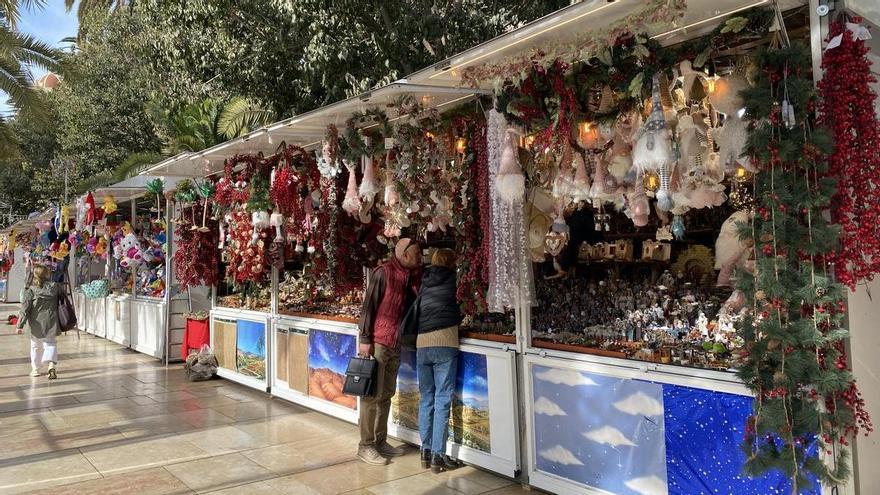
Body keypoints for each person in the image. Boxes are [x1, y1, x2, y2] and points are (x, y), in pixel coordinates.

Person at [357, 237, 422, 465]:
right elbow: (368, 307)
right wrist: (365, 339)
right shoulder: (383, 272)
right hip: (379, 343)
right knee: (371, 396)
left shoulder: (409, 277)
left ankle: (380, 441)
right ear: (404, 255)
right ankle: (365, 446)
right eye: (416, 254)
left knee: (386, 396)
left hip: (395, 344)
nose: (420, 258)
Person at [416, 248, 463, 473]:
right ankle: (438, 456)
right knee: (443, 399)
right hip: (445, 341)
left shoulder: (424, 282)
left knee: (426, 398)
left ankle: (425, 452)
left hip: (422, 343)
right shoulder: (454, 280)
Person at [17, 265, 62, 379]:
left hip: (36, 322)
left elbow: (25, 308)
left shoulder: (31, 290)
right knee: (50, 344)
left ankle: (35, 369)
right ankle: (51, 364)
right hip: (51, 320)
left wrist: (20, 325)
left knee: (35, 346)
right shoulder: (55, 287)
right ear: (47, 274)